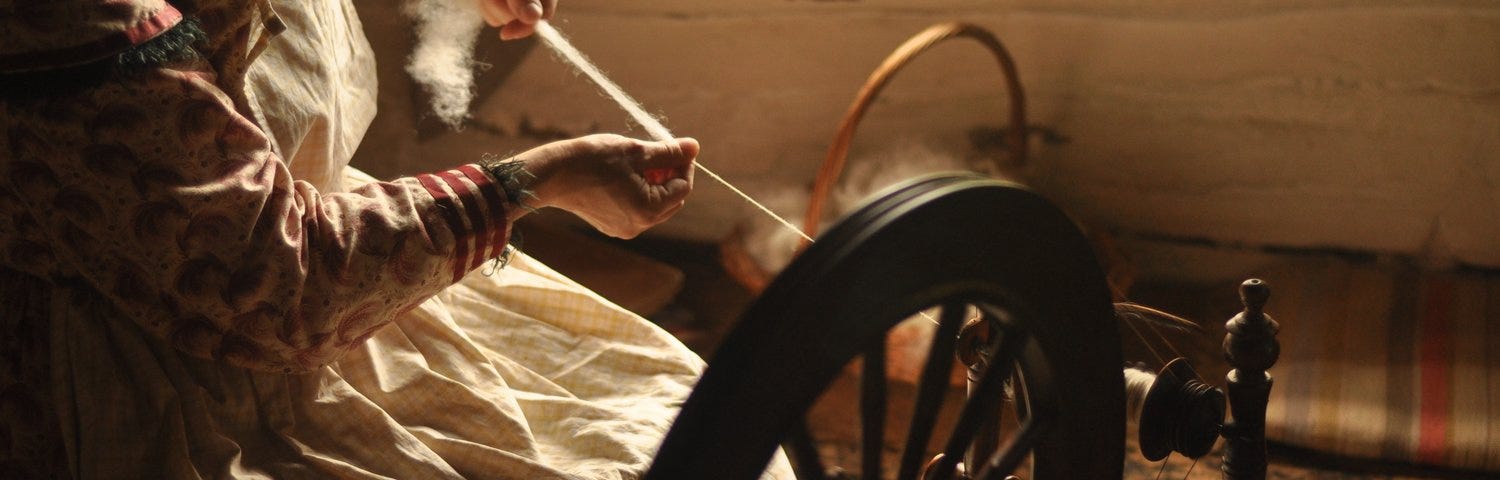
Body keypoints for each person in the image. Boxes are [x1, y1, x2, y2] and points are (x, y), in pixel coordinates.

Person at [1, 1, 786, 478]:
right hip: (186, 371)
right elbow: (276, 284)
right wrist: (542, 181)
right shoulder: (67, 22)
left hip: (349, 293)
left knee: (698, 423)